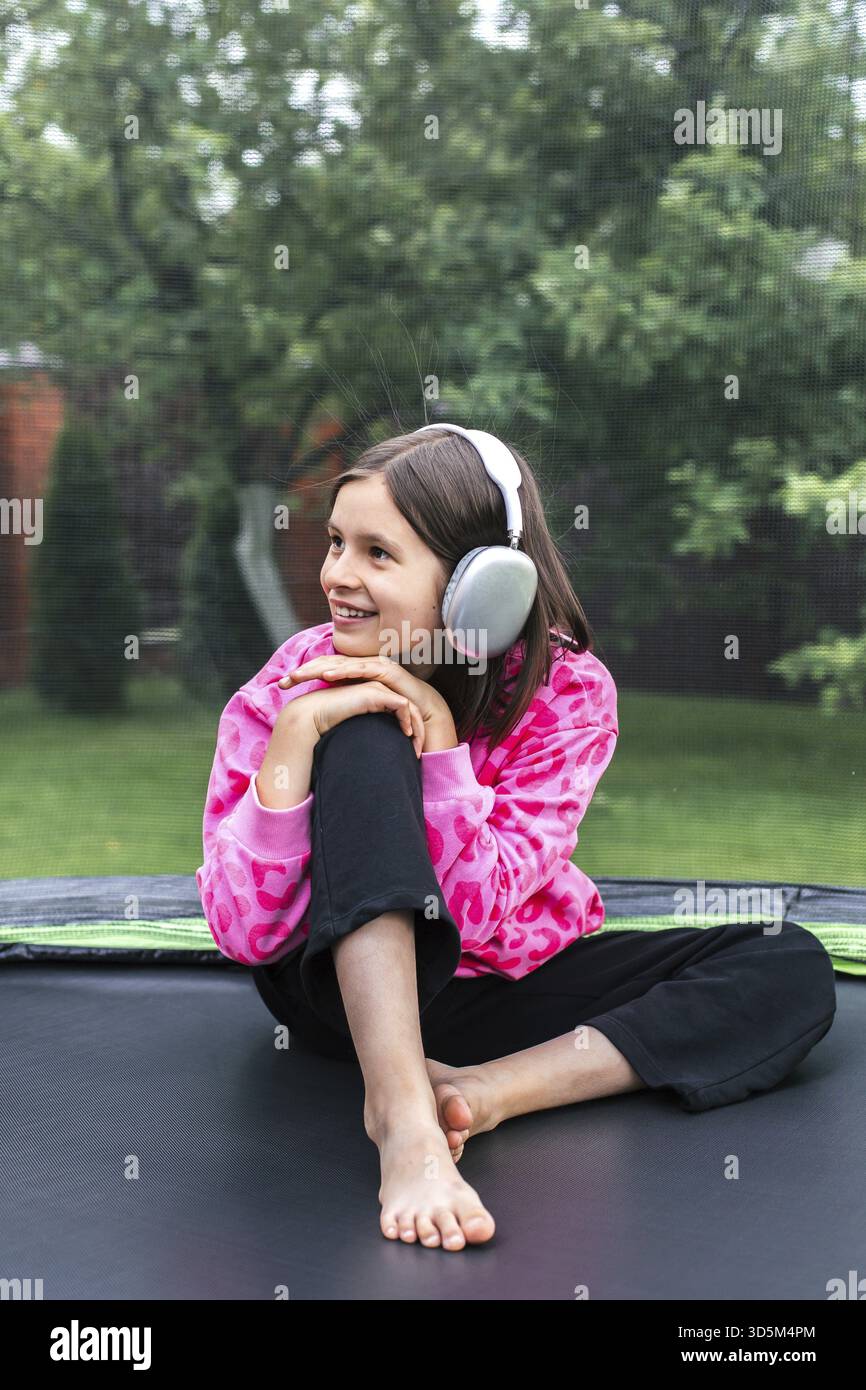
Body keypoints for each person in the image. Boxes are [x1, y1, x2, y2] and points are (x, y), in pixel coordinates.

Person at [195, 425, 838, 1253]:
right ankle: (401, 1115)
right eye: (334, 543)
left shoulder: (568, 693)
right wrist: (293, 744)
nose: (336, 577)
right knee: (358, 734)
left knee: (786, 963)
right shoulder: (297, 678)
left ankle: (481, 1093)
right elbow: (247, 934)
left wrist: (439, 749)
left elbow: (474, 913)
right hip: (335, 992)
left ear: (478, 586)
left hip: (494, 989)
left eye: (376, 554)